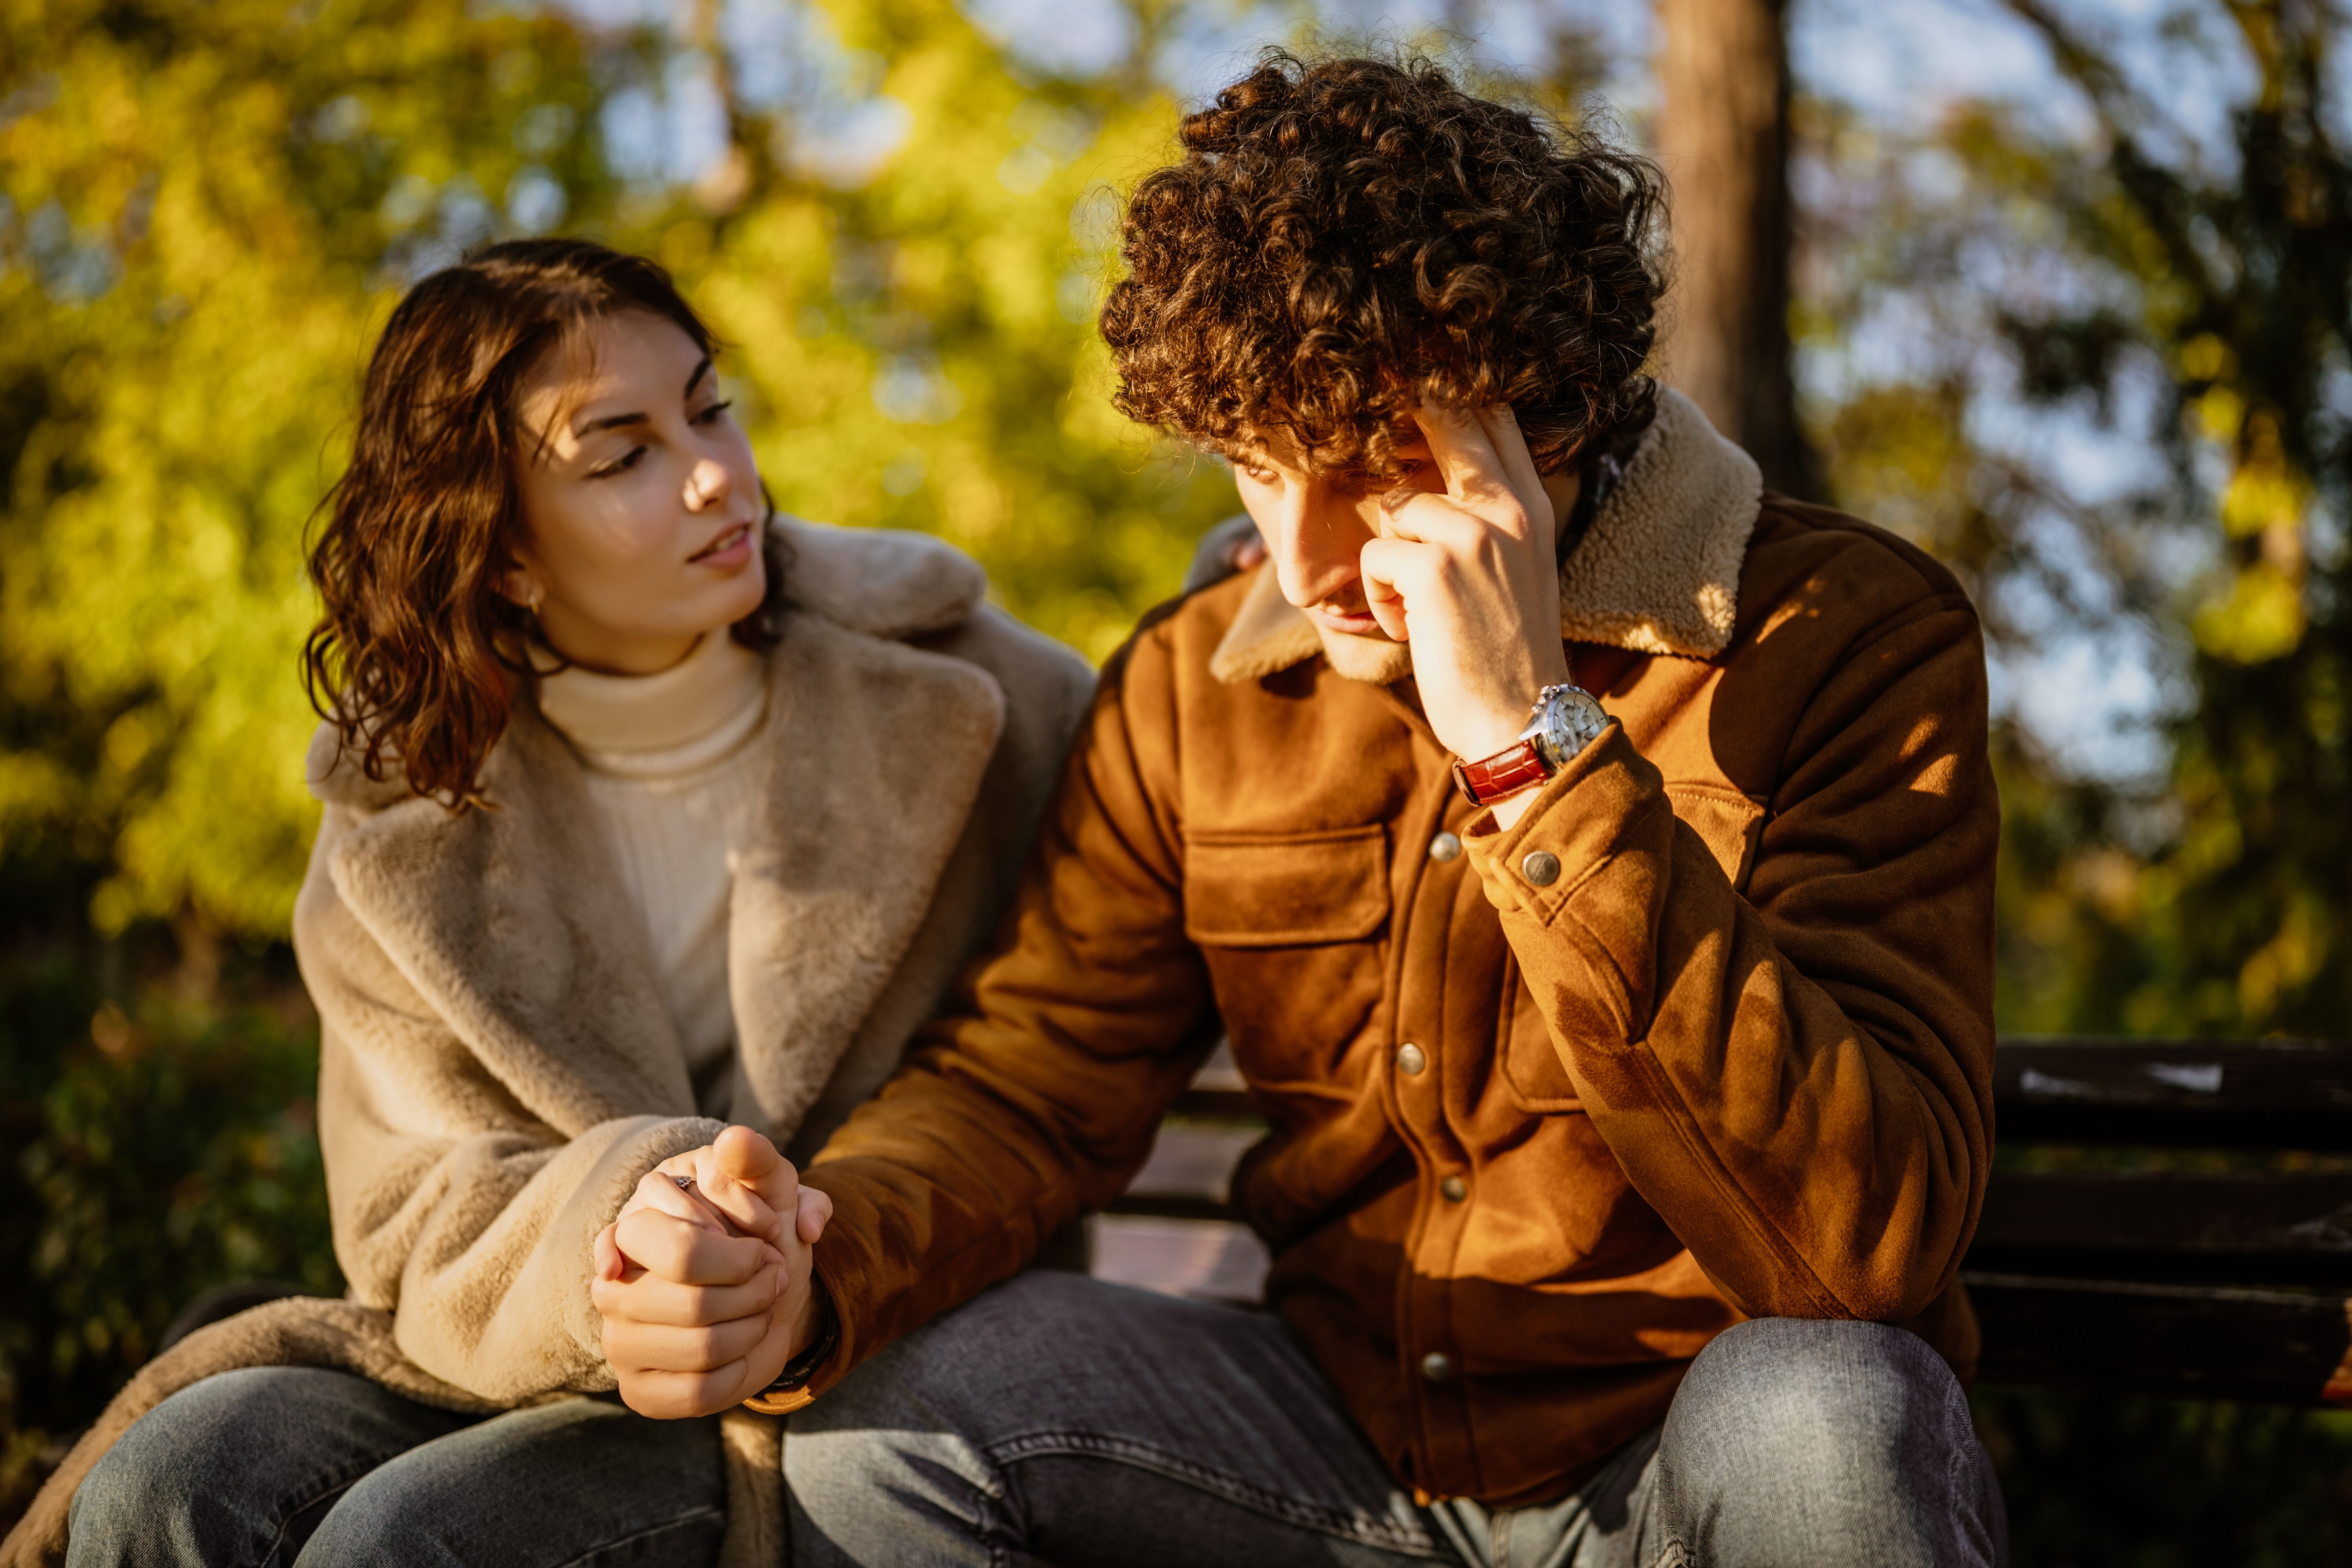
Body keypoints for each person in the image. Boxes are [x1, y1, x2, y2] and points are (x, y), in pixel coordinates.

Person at [654, 51, 2002, 1567]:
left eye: (1369, 468)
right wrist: (813, 1269)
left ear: (1545, 420)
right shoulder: (1192, 685)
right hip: (1329, 1450)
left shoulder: (1846, 635)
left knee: (1825, 1406)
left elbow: (1860, 1246)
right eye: (1251, 468)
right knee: (891, 1399)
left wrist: (1531, 743)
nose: (1298, 567)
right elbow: (1032, 1083)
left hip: (1687, 1459)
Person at [4, 238, 1094, 1567]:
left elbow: (1165, 854)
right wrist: (622, 1235)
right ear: (506, 553)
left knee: (406, 1542)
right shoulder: (401, 809)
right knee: (172, 1481)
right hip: (527, 1348)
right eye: (621, 451)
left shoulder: (976, 689)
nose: (715, 473)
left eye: (709, 407)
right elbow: (412, 1209)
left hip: (862, 1360)